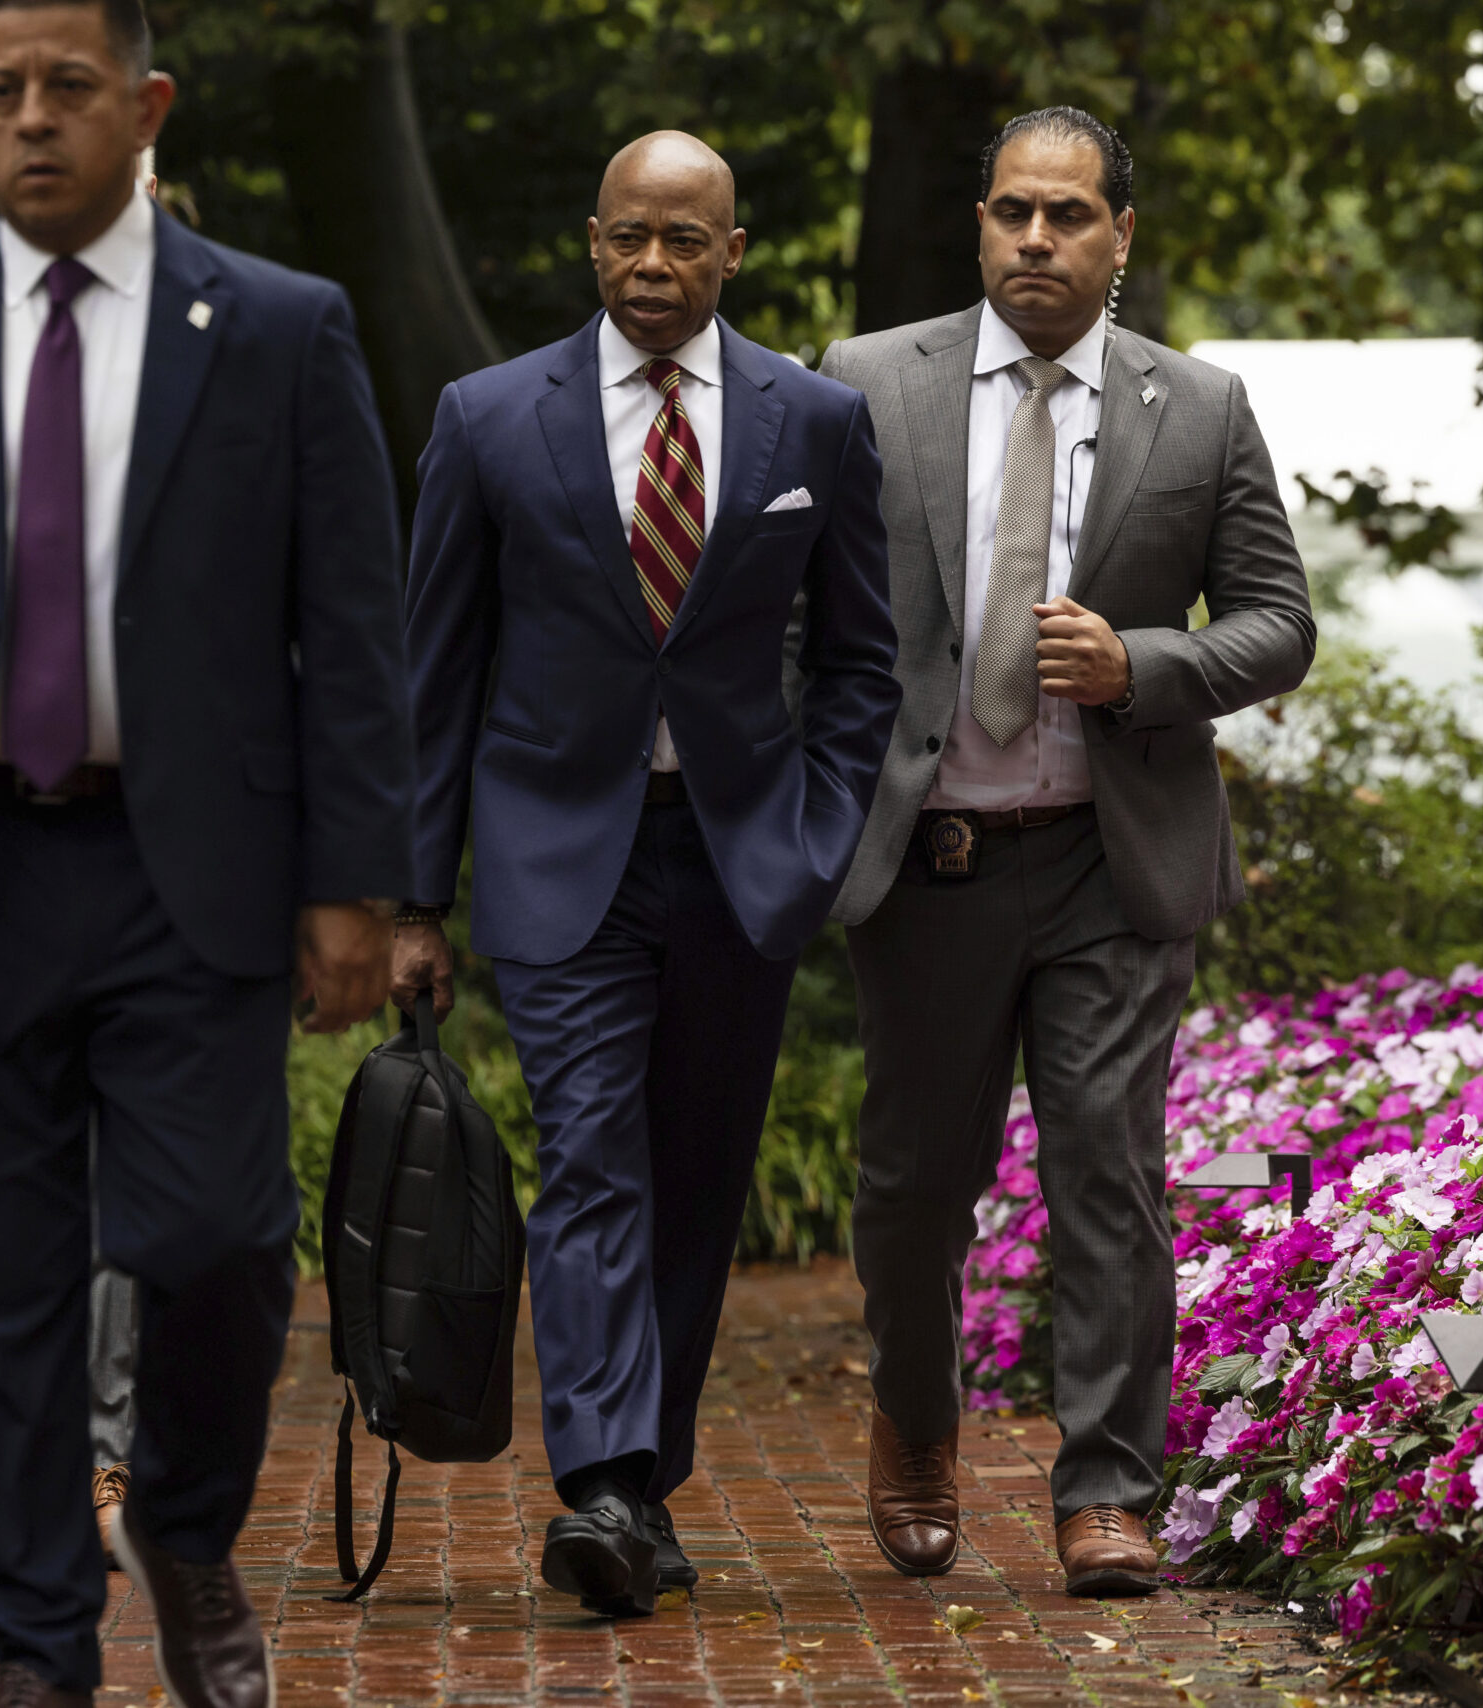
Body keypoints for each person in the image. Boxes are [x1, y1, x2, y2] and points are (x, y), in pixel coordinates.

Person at [0, 0, 412, 1701]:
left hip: (193, 877)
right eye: (4, 92)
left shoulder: (274, 328)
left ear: (146, 104)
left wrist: (361, 878)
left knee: (215, 1245)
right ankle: (41, 1641)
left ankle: (181, 1529)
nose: (31, 121)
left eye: (71, 90)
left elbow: (352, 625)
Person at [392, 131, 898, 1618]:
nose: (654, 267)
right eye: (629, 239)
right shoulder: (489, 419)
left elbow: (863, 662)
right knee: (596, 1158)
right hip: (559, 858)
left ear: (733, 249)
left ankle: (646, 1486)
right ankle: (603, 1477)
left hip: (742, 859)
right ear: (591, 242)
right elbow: (438, 674)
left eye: (685, 241)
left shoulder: (814, 423)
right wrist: (418, 897)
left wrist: (814, 837)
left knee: (695, 1183)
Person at [817, 107, 1316, 1596]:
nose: (1039, 239)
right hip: (931, 860)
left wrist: (1142, 665)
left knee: (1110, 1170)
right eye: (1015, 213)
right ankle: (914, 1427)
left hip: (1112, 858)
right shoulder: (864, 387)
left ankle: (1107, 1490)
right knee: (913, 1185)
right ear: (979, 222)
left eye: (1071, 216)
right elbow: (809, 623)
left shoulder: (1202, 407)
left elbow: (1279, 622)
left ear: (1121, 237)